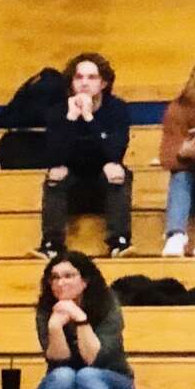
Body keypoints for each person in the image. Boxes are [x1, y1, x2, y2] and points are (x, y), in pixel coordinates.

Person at [21, 249, 131, 389]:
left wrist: (80, 319)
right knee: (63, 375)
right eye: (55, 277)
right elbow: (58, 361)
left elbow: (94, 359)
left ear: (85, 281)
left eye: (68, 276)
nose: (60, 283)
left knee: (87, 376)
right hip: (63, 387)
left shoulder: (107, 304)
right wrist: (54, 327)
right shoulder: (47, 309)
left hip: (112, 384)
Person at [37, 53, 133, 259]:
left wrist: (89, 117)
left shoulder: (117, 109)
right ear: (71, 83)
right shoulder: (58, 111)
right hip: (73, 181)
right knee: (55, 174)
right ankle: (52, 244)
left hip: (103, 180)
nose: (84, 83)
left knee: (116, 170)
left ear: (103, 83)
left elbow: (114, 152)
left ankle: (119, 242)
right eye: (79, 77)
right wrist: (71, 118)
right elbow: (54, 156)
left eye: (92, 77)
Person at [161, 60, 195, 259]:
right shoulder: (180, 108)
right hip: (191, 182)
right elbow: (166, 158)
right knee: (180, 175)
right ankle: (176, 235)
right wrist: (182, 152)